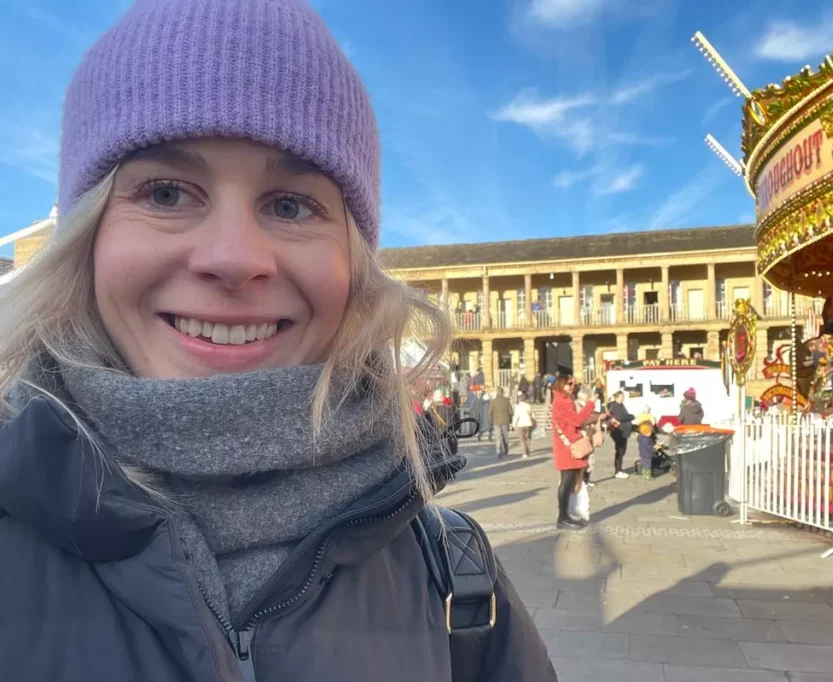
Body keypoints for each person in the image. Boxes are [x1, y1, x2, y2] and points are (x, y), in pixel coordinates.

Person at [0, 2, 556, 680]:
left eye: (291, 205)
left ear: (354, 267)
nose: (235, 258)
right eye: (168, 193)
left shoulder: (458, 578)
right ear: (84, 239)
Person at [550, 376, 604, 528]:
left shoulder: (564, 400)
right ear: (561, 385)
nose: (572, 386)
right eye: (569, 384)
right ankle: (562, 517)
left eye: (574, 384)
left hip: (568, 445)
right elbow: (576, 420)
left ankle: (566, 514)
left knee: (570, 481)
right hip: (567, 447)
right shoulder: (562, 402)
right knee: (566, 481)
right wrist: (590, 404)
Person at [606, 391, 635, 479]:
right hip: (618, 431)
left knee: (622, 450)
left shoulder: (620, 405)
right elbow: (620, 417)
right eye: (621, 396)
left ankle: (619, 470)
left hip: (623, 431)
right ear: (616, 397)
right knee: (620, 450)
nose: (623, 398)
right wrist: (631, 416)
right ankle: (618, 471)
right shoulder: (614, 406)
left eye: (623, 397)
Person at [489, 387, 514, 458]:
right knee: (505, 436)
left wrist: (491, 421)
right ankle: (506, 449)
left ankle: (498, 450)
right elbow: (511, 412)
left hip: (496, 421)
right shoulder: (506, 401)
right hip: (505, 421)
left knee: (498, 437)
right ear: (502, 393)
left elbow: (490, 412)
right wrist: (510, 419)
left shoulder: (493, 401)